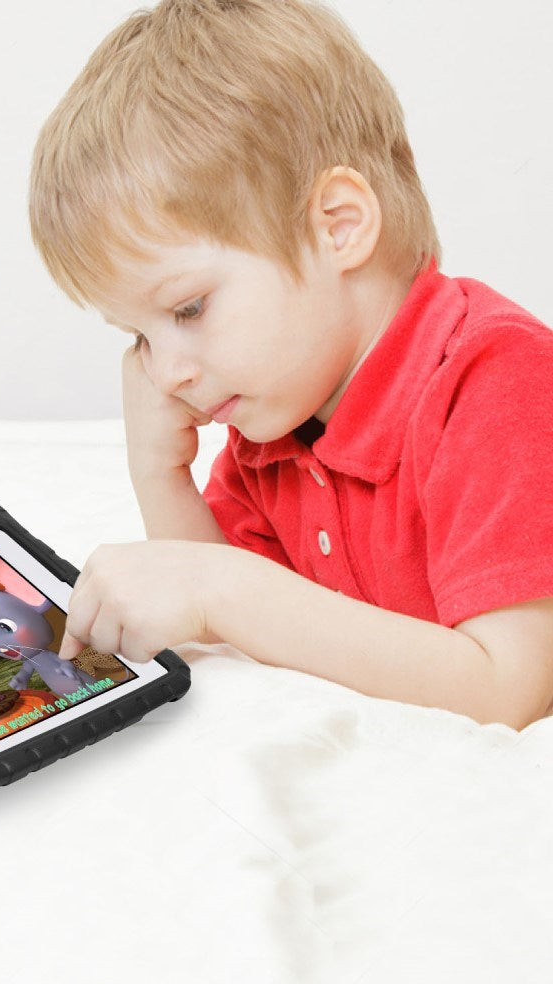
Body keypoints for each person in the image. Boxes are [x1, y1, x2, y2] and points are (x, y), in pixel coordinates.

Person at [28, 0, 553, 728]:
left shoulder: (496, 378)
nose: (166, 373)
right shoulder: (275, 431)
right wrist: (160, 475)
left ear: (338, 227)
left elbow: (508, 690)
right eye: (138, 337)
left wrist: (223, 588)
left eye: (188, 309)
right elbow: (220, 630)